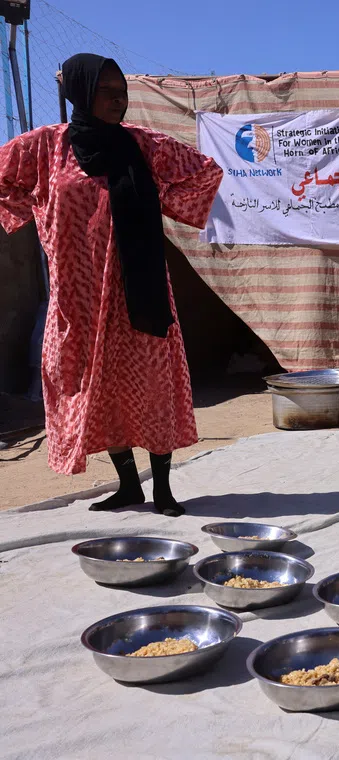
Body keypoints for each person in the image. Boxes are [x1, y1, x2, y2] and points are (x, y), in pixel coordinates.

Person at [0, 54, 222, 517]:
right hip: (77, 298)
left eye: (120, 90)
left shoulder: (142, 146)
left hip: (138, 291)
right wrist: (36, 210)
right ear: (79, 93)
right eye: (104, 90)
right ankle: (128, 485)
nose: (116, 99)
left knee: (151, 384)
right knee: (94, 389)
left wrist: (158, 197)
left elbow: (204, 172)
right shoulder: (44, 148)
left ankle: (161, 488)